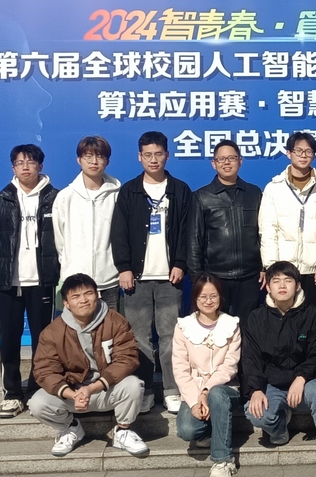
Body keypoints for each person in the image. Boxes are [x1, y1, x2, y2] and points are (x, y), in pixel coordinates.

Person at [111, 131, 191, 414]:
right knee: (139, 338)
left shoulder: (180, 190)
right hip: (137, 279)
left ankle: (171, 390)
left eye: (158, 154)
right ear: (139, 156)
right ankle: (143, 390)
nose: (153, 159)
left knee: (170, 337)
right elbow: (118, 233)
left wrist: (181, 263)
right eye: (148, 154)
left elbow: (187, 231)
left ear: (167, 155)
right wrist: (124, 268)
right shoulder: (130, 191)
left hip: (170, 278)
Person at [0, 144, 59, 419]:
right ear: (13, 167)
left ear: (40, 166)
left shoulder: (55, 199)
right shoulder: (1, 200)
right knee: (9, 339)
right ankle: (12, 394)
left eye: (31, 162)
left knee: (44, 340)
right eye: (20, 162)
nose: (25, 167)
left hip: (42, 281)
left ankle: (38, 390)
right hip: (8, 281)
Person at [28, 273, 148, 457]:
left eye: (88, 293)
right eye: (75, 296)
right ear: (66, 303)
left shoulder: (115, 321)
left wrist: (92, 388)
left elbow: (127, 358)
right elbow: (45, 370)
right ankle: (70, 428)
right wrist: (72, 394)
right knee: (37, 403)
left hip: (106, 389)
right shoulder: (52, 332)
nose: (83, 300)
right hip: (73, 394)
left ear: (97, 295)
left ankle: (123, 431)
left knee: (133, 385)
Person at [241, 261, 316, 477]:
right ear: (268, 287)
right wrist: (255, 389)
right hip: (272, 383)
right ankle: (279, 428)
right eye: (276, 281)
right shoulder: (256, 318)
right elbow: (251, 359)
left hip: (306, 382)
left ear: (298, 286)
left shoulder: (313, 316)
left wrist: (302, 377)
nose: (282, 285)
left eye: (288, 280)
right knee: (256, 413)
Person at [259, 132, 316, 312]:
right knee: (282, 318)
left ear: (314, 155)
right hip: (283, 270)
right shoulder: (274, 188)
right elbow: (268, 230)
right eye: (298, 151)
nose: (303, 155)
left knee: (314, 318)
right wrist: (272, 267)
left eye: (308, 151)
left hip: (314, 270)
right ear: (289, 153)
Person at [173, 272, 241, 477]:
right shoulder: (183, 326)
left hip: (226, 388)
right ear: (195, 298)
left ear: (220, 297)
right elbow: (180, 368)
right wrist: (196, 401)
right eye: (203, 296)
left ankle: (223, 460)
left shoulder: (231, 324)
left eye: (213, 296)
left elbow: (230, 365)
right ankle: (213, 432)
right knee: (187, 430)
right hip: (194, 390)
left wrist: (206, 391)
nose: (208, 301)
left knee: (217, 395)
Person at [187, 139, 263, 323]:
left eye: (232, 158)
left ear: (240, 161)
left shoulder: (254, 193)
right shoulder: (201, 196)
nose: (226, 163)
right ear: (214, 163)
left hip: (250, 277)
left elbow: (263, 234)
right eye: (221, 159)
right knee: (215, 328)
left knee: (248, 327)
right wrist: (198, 279)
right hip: (215, 277)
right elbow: (194, 240)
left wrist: (264, 267)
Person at [52, 136, 121, 312]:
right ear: (79, 160)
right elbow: (59, 239)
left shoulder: (117, 195)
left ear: (107, 161)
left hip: (109, 280)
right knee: (75, 329)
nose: (94, 161)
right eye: (88, 156)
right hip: (75, 281)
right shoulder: (65, 196)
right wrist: (69, 265)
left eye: (100, 156)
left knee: (110, 328)